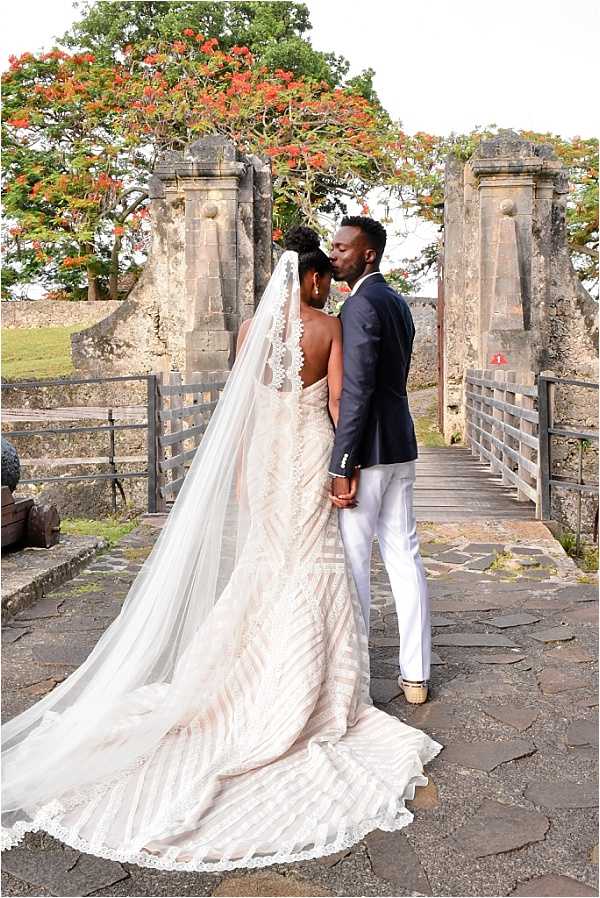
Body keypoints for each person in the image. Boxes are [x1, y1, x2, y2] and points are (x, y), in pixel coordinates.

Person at [1, 227, 442, 872]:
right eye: (326, 271)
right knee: (311, 567)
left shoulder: (246, 333)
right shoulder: (326, 328)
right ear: (314, 277)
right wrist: (339, 466)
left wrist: (239, 470)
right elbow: (343, 403)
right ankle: (307, 684)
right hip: (307, 455)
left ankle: (244, 674)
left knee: (265, 564)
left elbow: (241, 408)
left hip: (264, 461)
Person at [329, 216, 431, 705]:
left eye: (343, 248)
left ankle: (357, 675)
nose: (334, 256)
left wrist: (341, 461)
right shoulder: (397, 303)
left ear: (367, 254)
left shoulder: (359, 306)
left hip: (366, 452)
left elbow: (357, 391)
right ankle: (416, 674)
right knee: (405, 556)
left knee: (355, 562)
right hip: (401, 445)